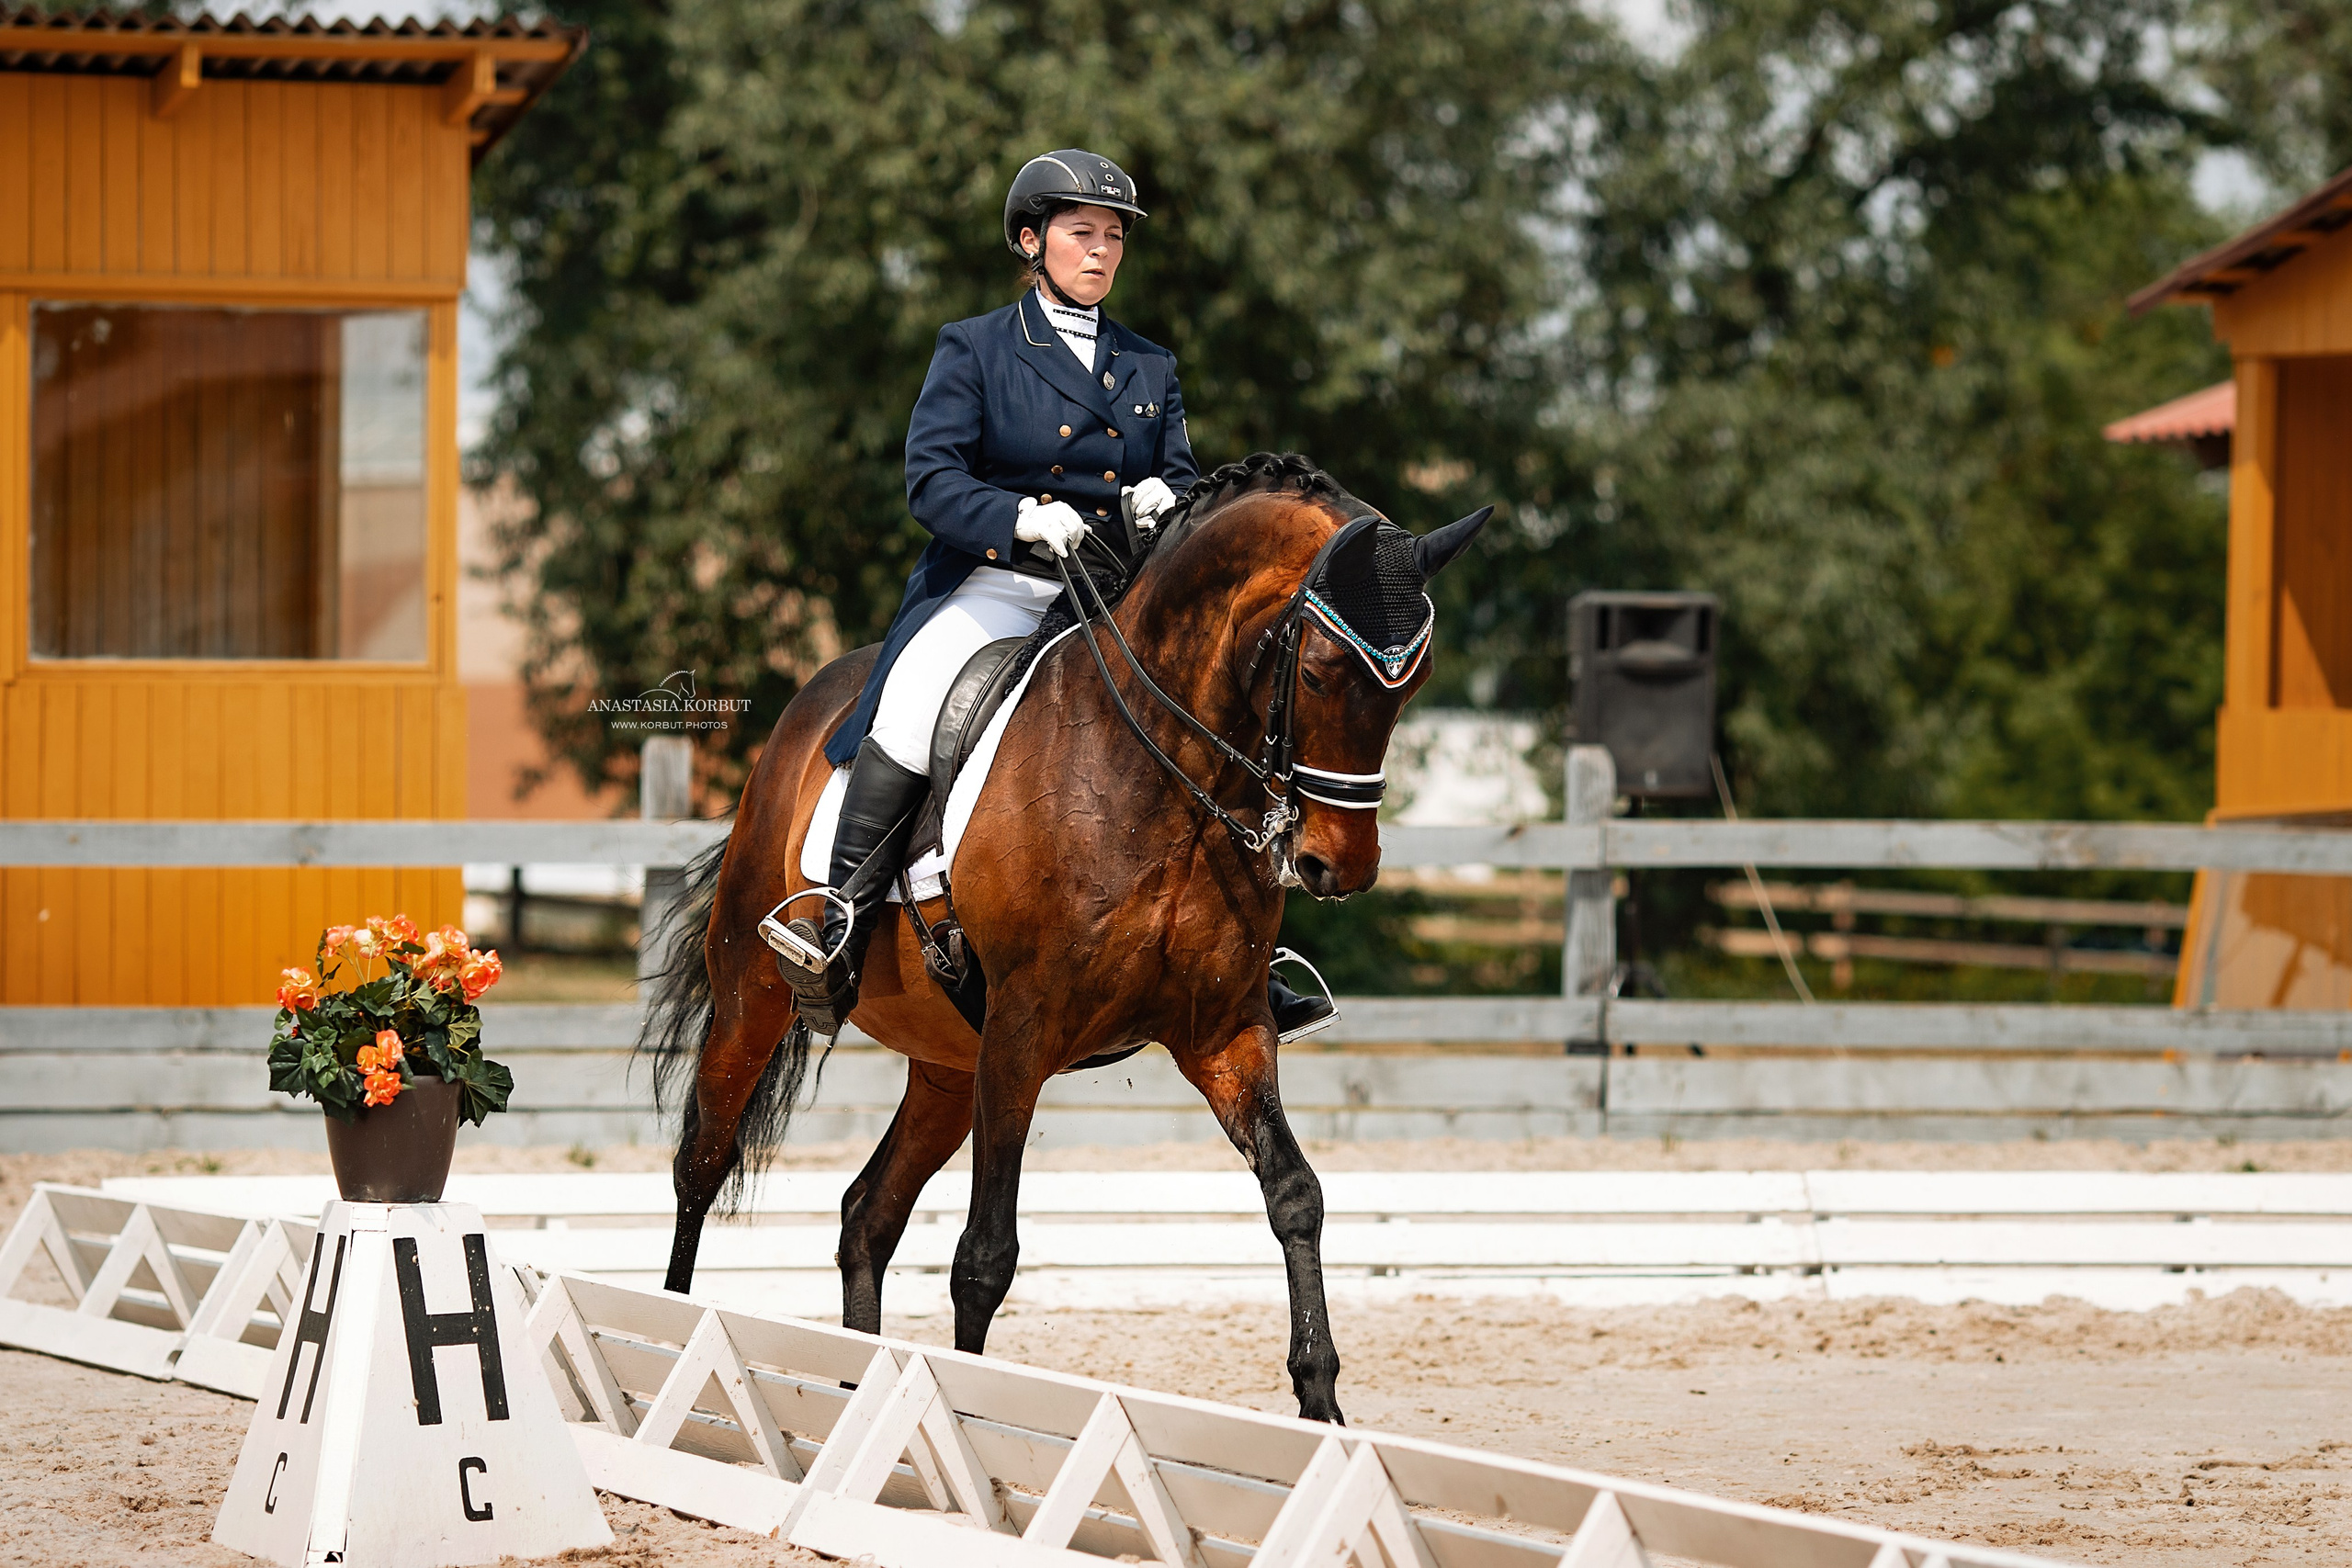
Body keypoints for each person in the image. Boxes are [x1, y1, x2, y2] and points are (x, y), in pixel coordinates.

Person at [769, 149, 1336, 1045]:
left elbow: (1179, 480)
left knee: (1228, 715)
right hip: (1000, 582)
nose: (1101, 251)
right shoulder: (978, 345)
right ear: (1032, 240)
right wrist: (1020, 519)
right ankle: (837, 919)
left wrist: (1170, 504)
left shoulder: (1150, 366)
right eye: (1082, 233)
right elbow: (930, 481)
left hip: (1117, 596)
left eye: (1113, 237)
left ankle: (1244, 957)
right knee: (913, 709)